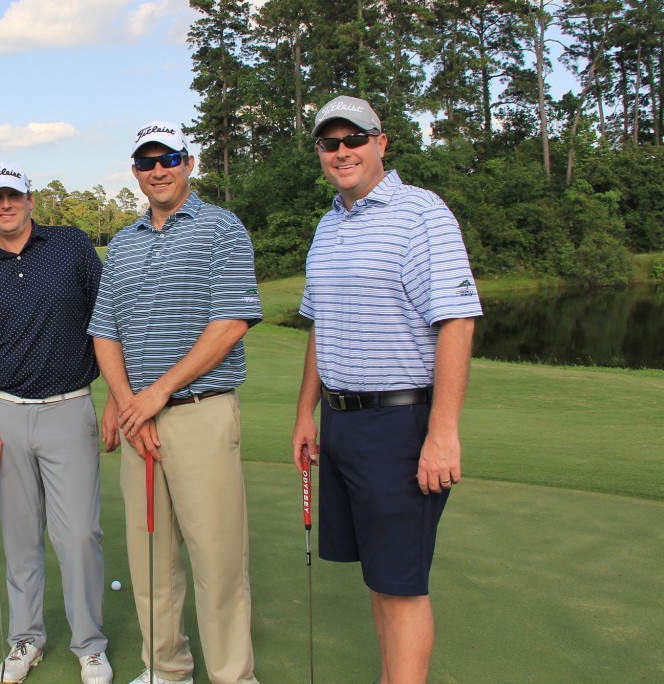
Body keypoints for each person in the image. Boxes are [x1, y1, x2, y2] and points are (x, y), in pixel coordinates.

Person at [291, 96, 482, 684]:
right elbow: (321, 324)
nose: (342, 151)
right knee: (379, 575)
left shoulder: (422, 213)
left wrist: (442, 433)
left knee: (400, 584)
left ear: (382, 143)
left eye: (355, 139)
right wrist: (306, 415)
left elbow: (456, 319)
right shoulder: (329, 224)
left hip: (401, 424)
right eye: (330, 142)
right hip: (343, 424)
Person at [88, 122, 263, 684]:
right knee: (150, 559)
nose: (158, 169)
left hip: (198, 412)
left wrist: (157, 391)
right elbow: (105, 330)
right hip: (141, 422)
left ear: (189, 163)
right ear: (135, 172)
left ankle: (233, 676)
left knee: (217, 561)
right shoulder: (124, 242)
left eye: (169, 158)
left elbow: (230, 321)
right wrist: (125, 401)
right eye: (146, 162)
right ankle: (166, 670)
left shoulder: (221, 228)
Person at [0, 164, 114, 684]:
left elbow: (107, 320)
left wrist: (116, 398)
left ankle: (89, 644)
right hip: (2, 413)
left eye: (14, 196)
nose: (6, 205)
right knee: (21, 537)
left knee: (80, 535)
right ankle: (26, 638)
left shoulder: (71, 246)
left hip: (69, 408)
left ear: (30, 200)